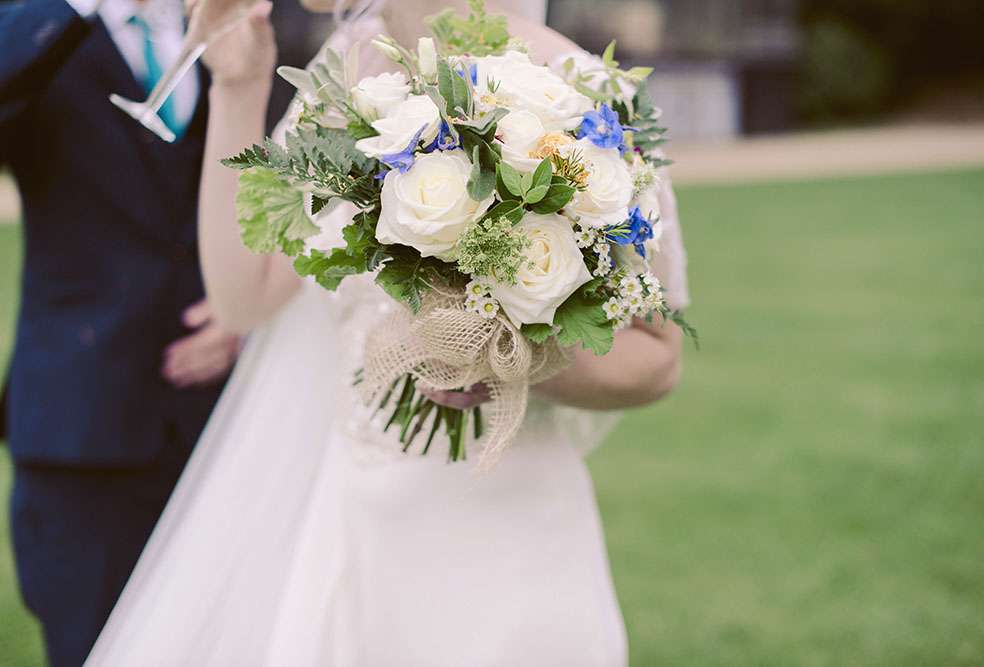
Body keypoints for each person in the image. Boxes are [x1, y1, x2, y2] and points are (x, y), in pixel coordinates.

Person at [84, 0, 692, 664]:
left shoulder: (573, 86)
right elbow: (242, 299)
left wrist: (501, 352)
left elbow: (657, 356)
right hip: (348, 530)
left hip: (506, 547)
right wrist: (238, 87)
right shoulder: (346, 71)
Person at [0, 0, 242, 664]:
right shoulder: (39, 27)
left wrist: (246, 313)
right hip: (83, 437)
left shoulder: (247, 18)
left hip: (227, 424)